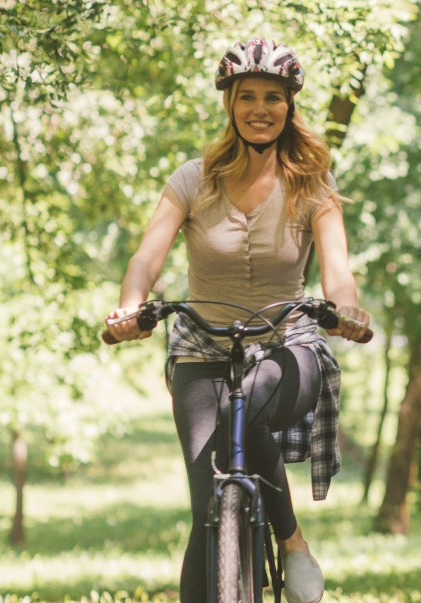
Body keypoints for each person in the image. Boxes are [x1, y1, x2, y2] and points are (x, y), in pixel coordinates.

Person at [103, 38, 371, 603]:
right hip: (201, 349)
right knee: (208, 512)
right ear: (229, 103)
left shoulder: (312, 183)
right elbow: (148, 256)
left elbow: (337, 271)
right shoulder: (193, 179)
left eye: (272, 97)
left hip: (288, 344)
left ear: (289, 106)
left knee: (247, 408)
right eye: (246, 96)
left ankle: (291, 538)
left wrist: (344, 309)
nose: (259, 108)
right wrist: (131, 305)